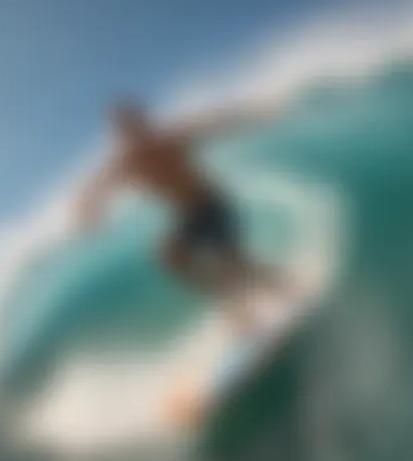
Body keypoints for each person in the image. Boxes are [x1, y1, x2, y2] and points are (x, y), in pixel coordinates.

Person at [73, 98, 291, 332]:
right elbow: (99, 186)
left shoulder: (169, 140)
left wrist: (255, 115)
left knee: (238, 266)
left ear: (144, 122)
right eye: (126, 129)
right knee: (171, 255)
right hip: (188, 218)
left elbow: (212, 125)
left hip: (213, 206)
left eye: (137, 124)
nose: (136, 132)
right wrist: (90, 211)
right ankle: (240, 309)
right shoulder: (126, 163)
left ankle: (287, 290)